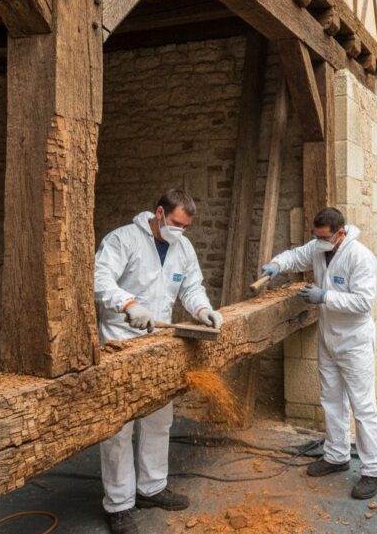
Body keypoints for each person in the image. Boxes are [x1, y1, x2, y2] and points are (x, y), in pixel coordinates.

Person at [93, 189, 224, 534]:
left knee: (158, 420)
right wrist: (128, 305)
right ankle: (119, 504)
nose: (180, 231)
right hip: (121, 343)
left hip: (159, 344)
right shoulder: (122, 239)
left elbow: (191, 287)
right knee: (118, 428)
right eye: (176, 224)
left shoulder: (183, 247)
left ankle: (151, 487)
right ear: (159, 213)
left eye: (185, 227)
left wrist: (202, 310)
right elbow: (100, 280)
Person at [260, 207, 377, 499]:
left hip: (354, 341)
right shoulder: (319, 247)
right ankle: (337, 455)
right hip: (328, 337)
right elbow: (295, 256)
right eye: (316, 237)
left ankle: (374, 471)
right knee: (330, 398)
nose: (319, 242)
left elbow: (364, 302)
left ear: (340, 233)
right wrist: (276, 264)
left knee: (363, 406)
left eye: (324, 237)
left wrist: (325, 296)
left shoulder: (360, 257)